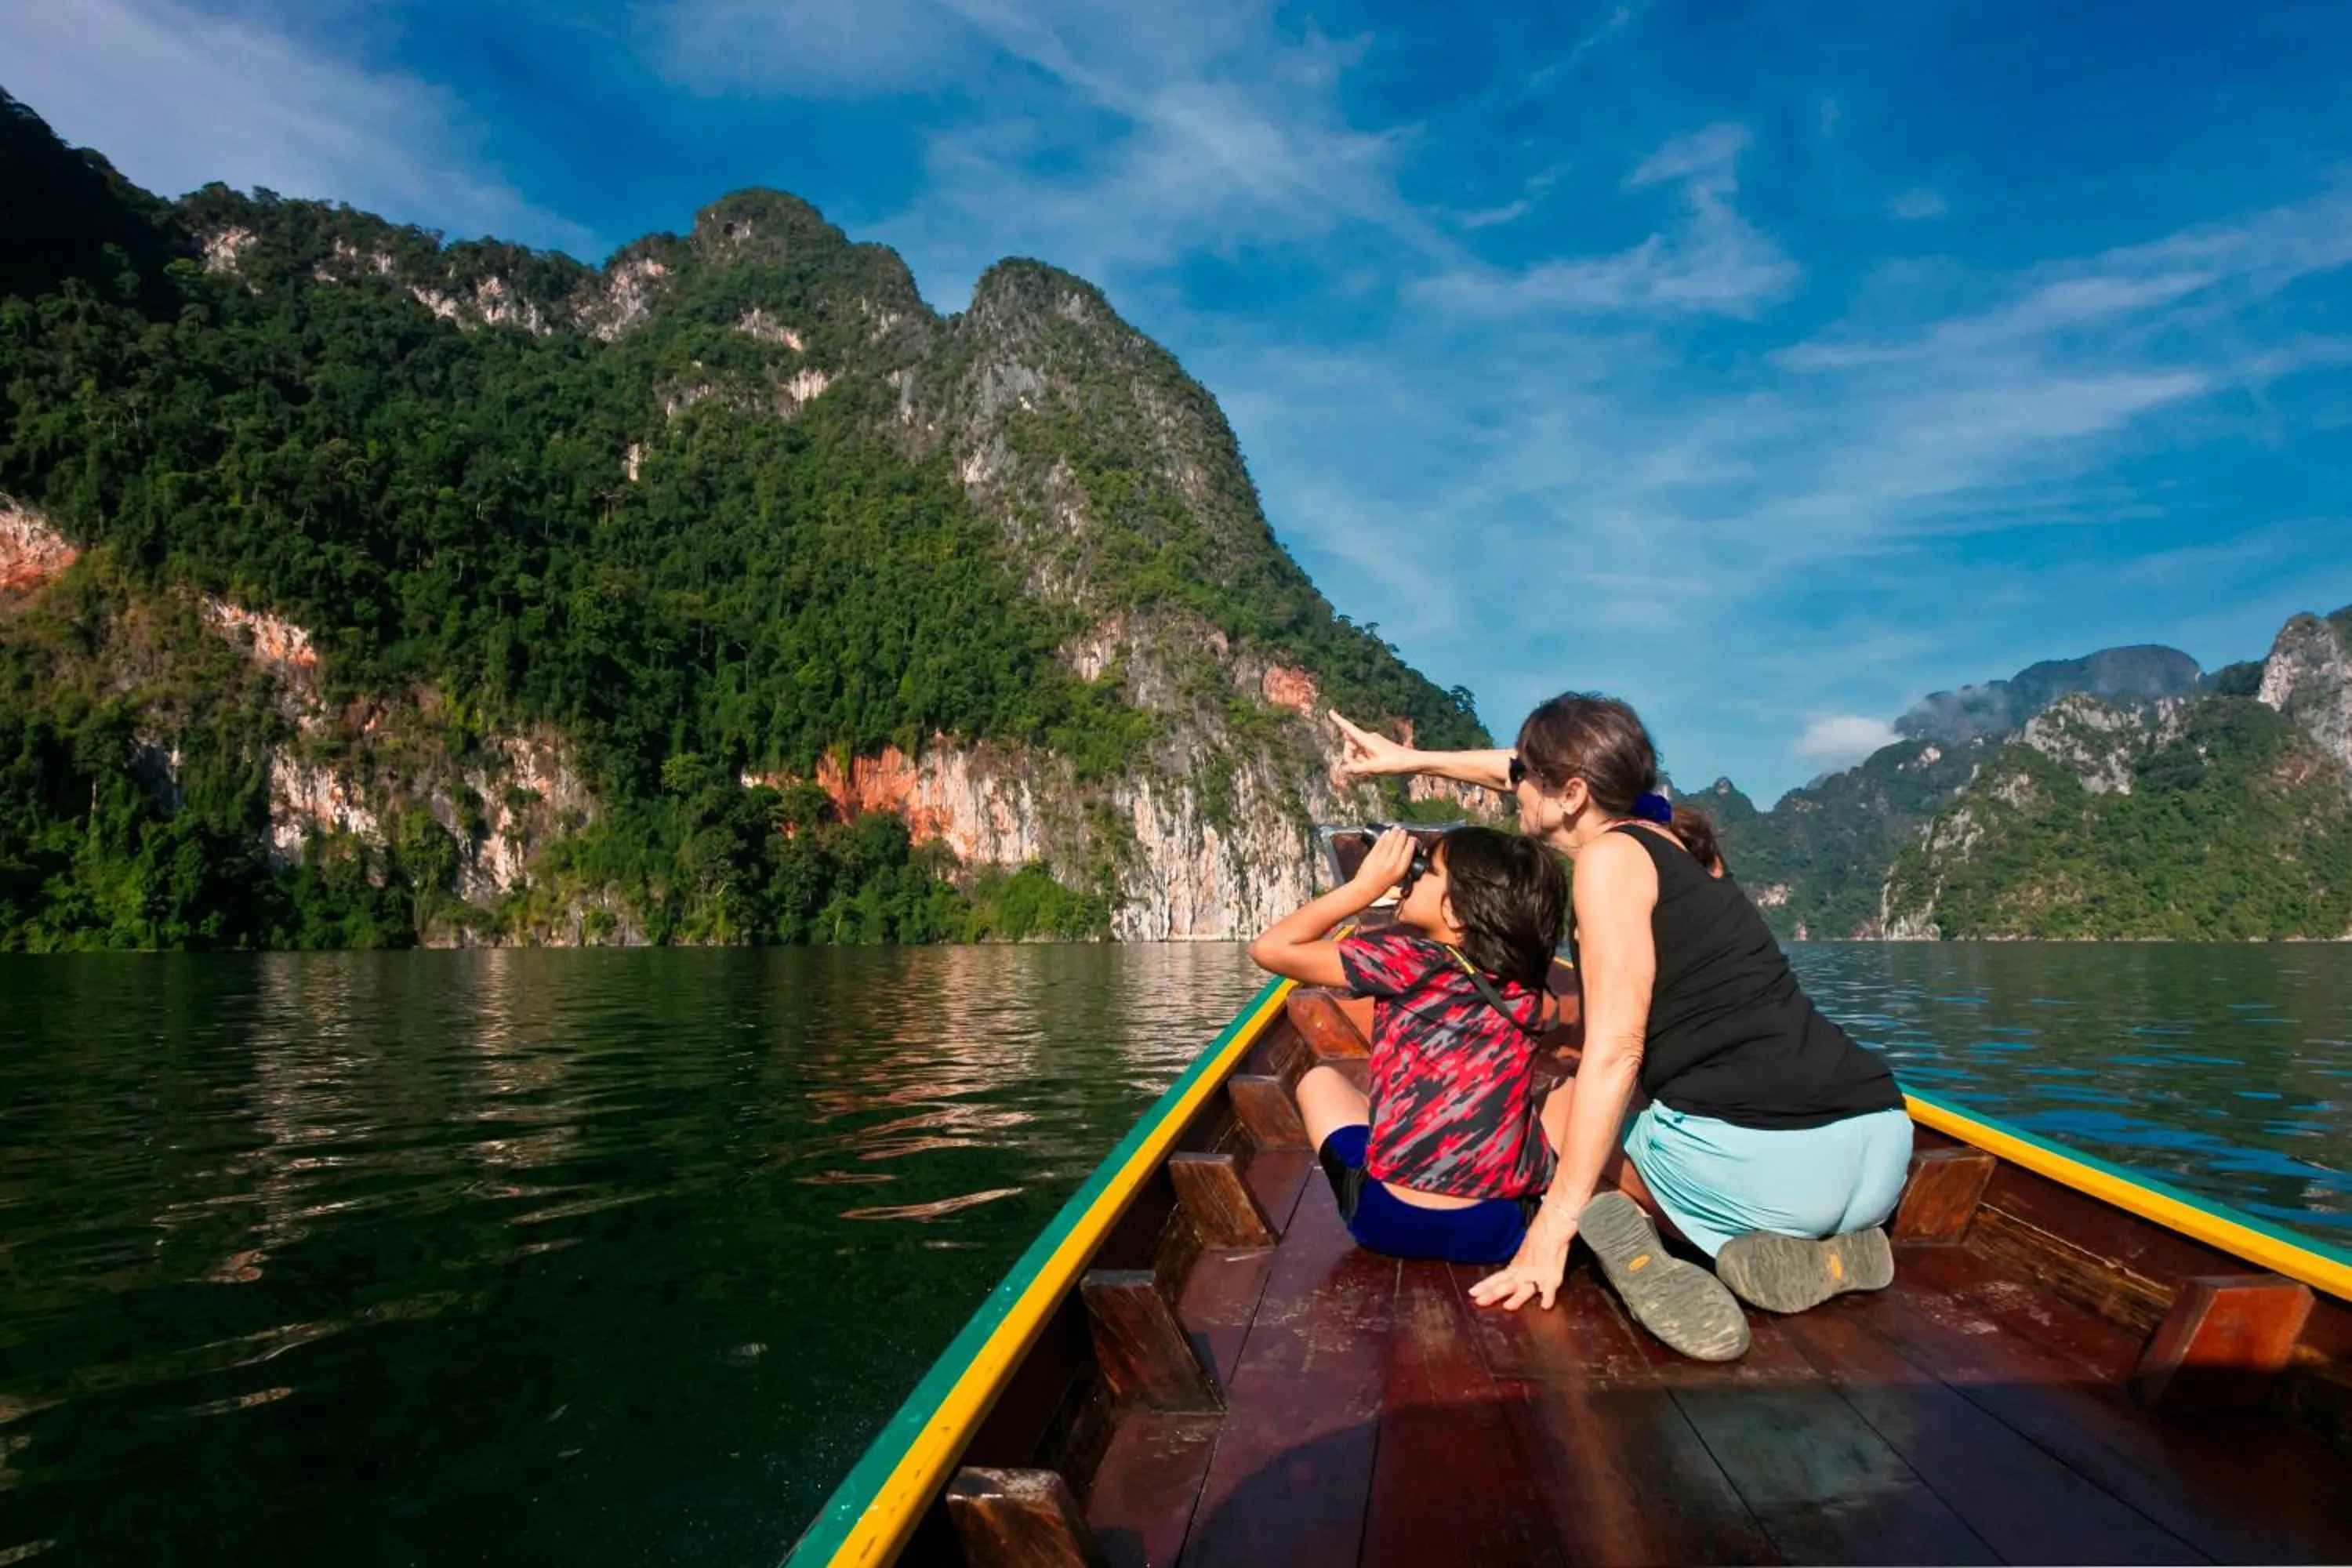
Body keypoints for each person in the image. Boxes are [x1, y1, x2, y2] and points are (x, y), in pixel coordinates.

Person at [1331, 695, 1911, 1363]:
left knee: (1549, 1124)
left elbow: (1617, 1050)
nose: (1514, 787)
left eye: (1528, 777)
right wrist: (1412, 760)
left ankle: (1648, 1248)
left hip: (1775, 1177)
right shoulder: (1679, 840)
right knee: (1621, 1106)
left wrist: (1553, 1226)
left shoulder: (1609, 861)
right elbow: (1522, 773)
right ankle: (1834, 1248)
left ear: (1573, 793)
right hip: (1878, 1144)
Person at [1248, 825, 1569, 1265]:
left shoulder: (1403, 959)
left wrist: (1365, 888)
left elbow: (1271, 948)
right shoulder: (1531, 989)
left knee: (1319, 1080)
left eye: (1427, 870)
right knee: (1570, 1090)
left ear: (1457, 914)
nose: (1412, 876)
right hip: (1498, 1231)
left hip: (1384, 1220)